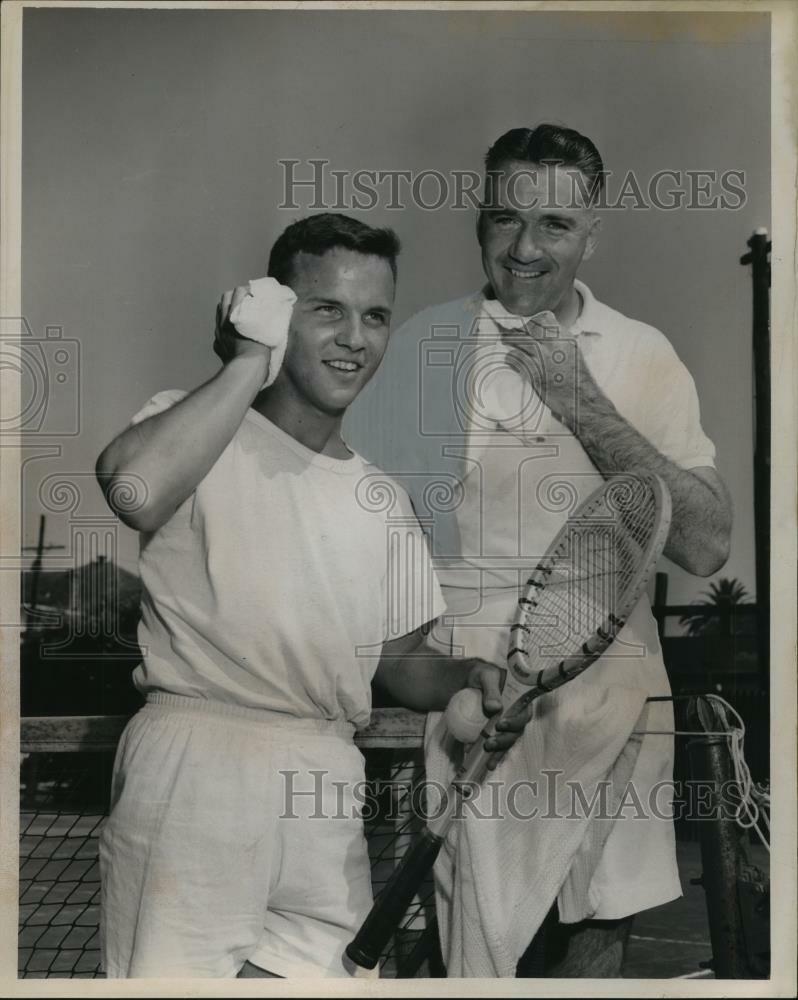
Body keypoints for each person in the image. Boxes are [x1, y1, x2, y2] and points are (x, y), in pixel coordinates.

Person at [94, 212, 529, 979]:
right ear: (274, 311)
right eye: (327, 309)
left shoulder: (383, 499)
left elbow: (399, 663)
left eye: (375, 317)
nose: (354, 339)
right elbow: (135, 492)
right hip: (197, 766)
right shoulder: (185, 426)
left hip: (328, 784)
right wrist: (245, 364)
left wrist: (469, 678)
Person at [345, 125, 733, 977]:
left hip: (617, 700)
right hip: (471, 704)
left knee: (595, 941)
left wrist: (577, 396)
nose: (524, 249)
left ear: (593, 232)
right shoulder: (416, 348)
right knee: (469, 952)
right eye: (503, 220)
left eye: (554, 225)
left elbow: (704, 546)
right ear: (478, 224)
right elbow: (361, 538)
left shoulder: (643, 354)